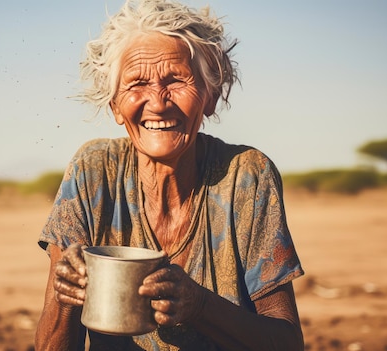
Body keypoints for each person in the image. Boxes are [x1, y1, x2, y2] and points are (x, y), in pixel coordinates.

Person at [35, 0, 305, 350]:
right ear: (116, 104)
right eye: (137, 84)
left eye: (176, 80)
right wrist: (65, 296)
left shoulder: (246, 177)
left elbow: (286, 343)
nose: (158, 102)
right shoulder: (93, 171)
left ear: (210, 96)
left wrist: (199, 305)